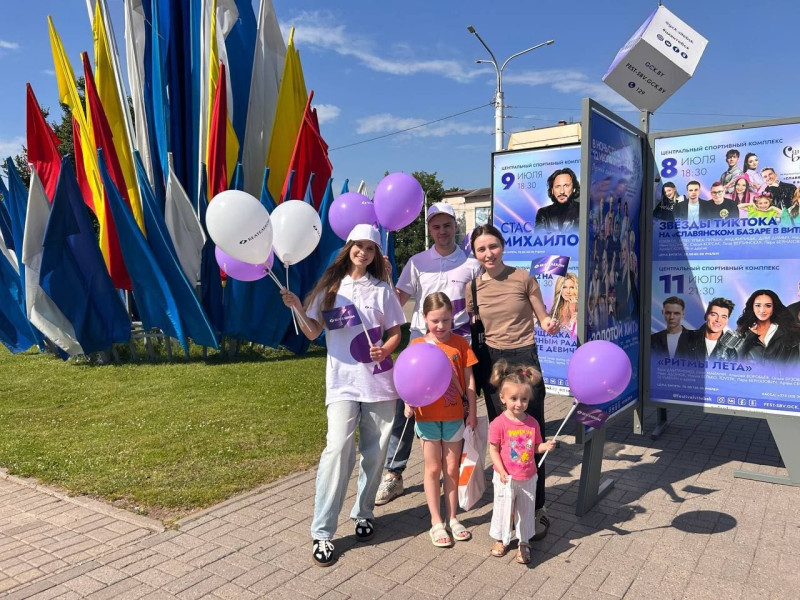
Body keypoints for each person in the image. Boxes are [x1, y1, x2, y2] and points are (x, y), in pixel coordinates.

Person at [280, 224, 406, 567]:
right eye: (357, 246)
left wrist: (386, 349)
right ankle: (322, 531)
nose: (362, 252)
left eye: (369, 247)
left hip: (379, 383)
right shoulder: (331, 288)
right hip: (342, 384)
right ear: (348, 248)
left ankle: (364, 513)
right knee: (336, 450)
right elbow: (312, 331)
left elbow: (396, 332)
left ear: (376, 253)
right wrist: (296, 306)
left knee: (375, 454)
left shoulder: (382, 290)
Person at [374, 202, 481, 507]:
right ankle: (394, 473)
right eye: (436, 226)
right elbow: (397, 301)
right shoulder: (417, 262)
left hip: (457, 346)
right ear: (429, 229)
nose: (442, 231)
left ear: (455, 227)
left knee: (458, 408)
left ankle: (460, 476)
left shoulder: (472, 264)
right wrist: (384, 278)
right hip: (421, 347)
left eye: (447, 225)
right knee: (407, 409)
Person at [466, 224, 559, 540]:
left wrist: (548, 323)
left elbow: (542, 317)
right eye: (481, 249)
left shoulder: (523, 278)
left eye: (493, 246)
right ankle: (507, 503)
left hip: (524, 360)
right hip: (493, 364)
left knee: (531, 435)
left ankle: (537, 507)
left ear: (502, 246)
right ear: (475, 253)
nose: (488, 253)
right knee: (503, 438)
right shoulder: (473, 288)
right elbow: (473, 327)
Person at [405, 292, 478, 548]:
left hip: (455, 417)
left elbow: (469, 380)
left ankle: (453, 518)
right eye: (435, 320)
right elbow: (409, 378)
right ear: (424, 318)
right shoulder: (417, 346)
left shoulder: (460, 344)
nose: (440, 325)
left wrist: (472, 412)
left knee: (451, 468)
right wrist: (407, 402)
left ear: (453, 318)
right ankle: (436, 521)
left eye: (446, 320)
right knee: (433, 468)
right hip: (426, 417)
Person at [487, 360, 555, 565]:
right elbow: (493, 450)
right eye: (514, 398)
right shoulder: (498, 423)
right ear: (502, 397)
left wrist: (545, 446)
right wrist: (500, 470)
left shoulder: (532, 423)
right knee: (503, 508)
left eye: (524, 399)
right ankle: (501, 538)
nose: (519, 403)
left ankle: (524, 542)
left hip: (528, 477)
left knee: (526, 511)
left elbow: (535, 447)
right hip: (505, 477)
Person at [735, 289, 800, 363]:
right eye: (758, 305)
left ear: (774, 307)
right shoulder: (743, 331)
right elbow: (734, 360)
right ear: (752, 307)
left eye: (768, 306)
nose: (762, 310)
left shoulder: (790, 331)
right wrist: (749, 337)